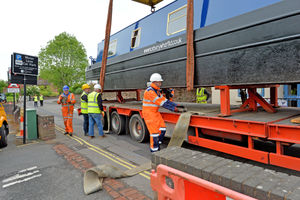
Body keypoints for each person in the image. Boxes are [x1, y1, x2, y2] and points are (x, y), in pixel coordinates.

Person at [142, 73, 185, 152]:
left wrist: (176, 105)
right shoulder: (149, 92)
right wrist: (173, 109)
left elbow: (165, 100)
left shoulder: (157, 91)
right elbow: (161, 103)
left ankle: (158, 144)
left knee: (163, 129)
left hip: (155, 112)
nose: (161, 83)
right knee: (154, 133)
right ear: (155, 82)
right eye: (159, 82)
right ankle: (154, 150)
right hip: (149, 114)